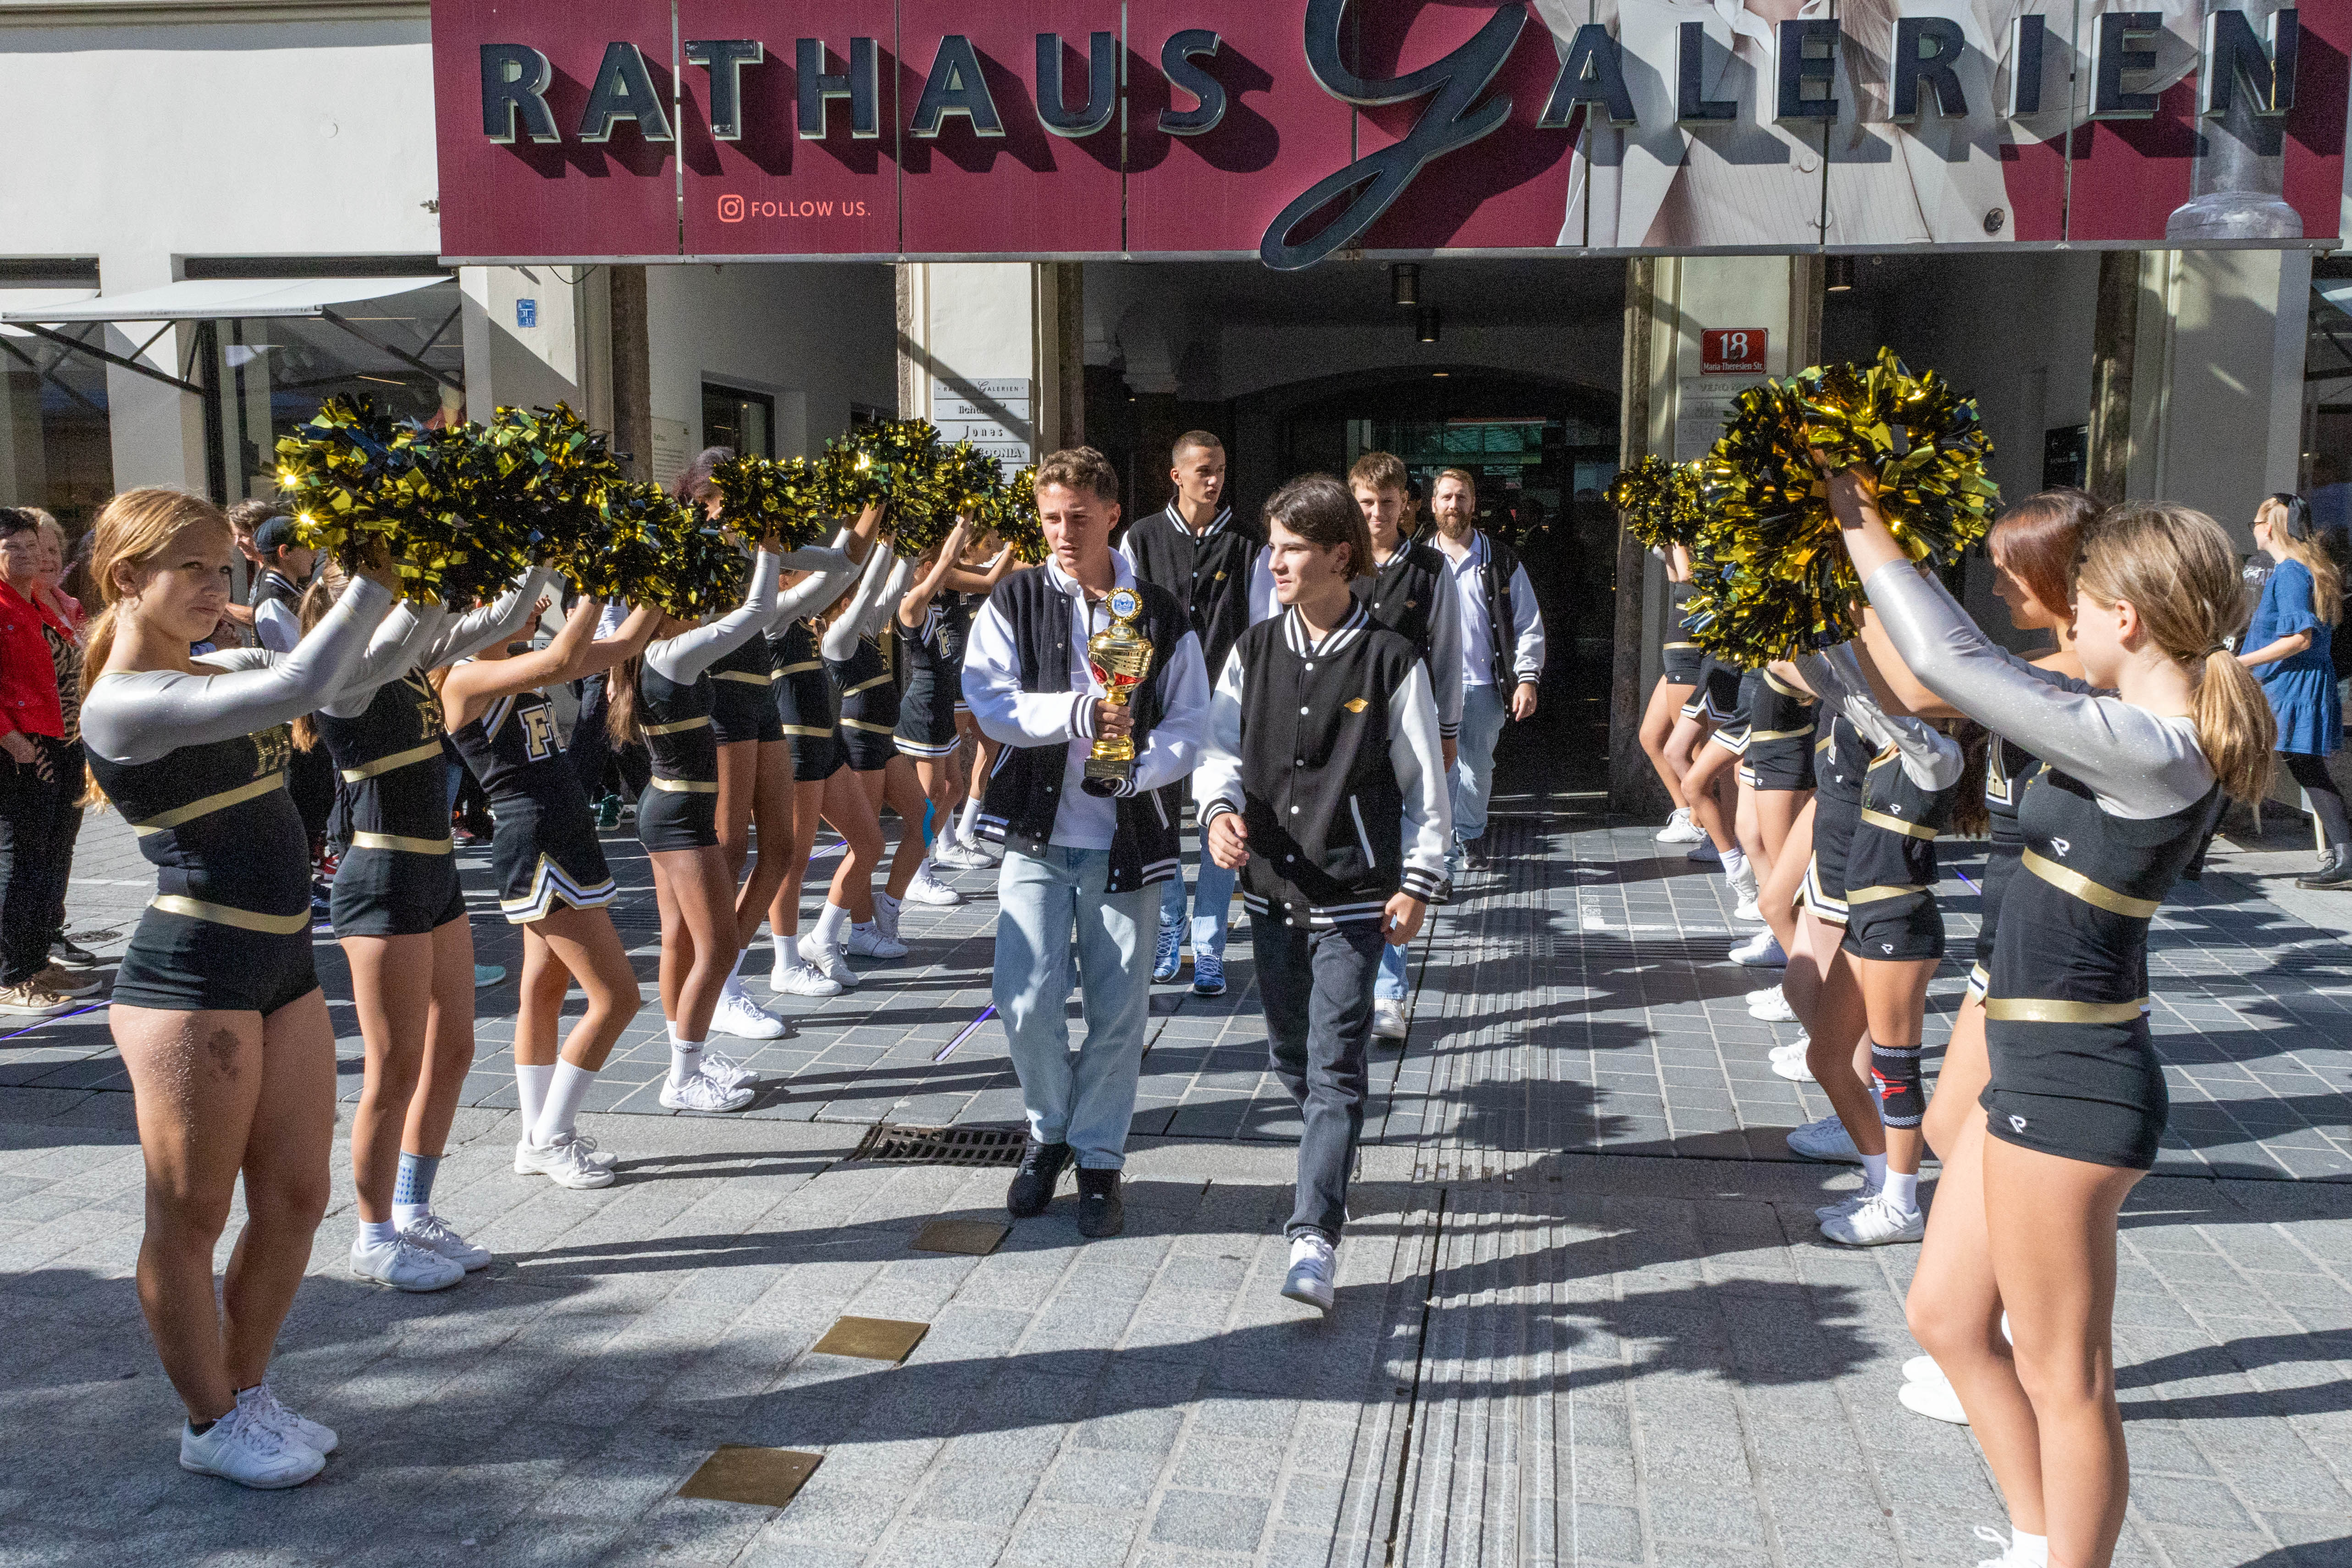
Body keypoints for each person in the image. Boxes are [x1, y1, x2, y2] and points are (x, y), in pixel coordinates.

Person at [1833, 478, 2271, 1568]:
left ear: (2125, 616)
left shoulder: (2156, 748)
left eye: (2081, 602)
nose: (2063, 618)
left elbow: (1946, 664)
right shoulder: (2123, 727)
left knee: (2063, 1374)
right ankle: (2038, 1542)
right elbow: (1941, 669)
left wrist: (1852, 505)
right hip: (2028, 1066)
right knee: (1945, 1317)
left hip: (2075, 1084)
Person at [79, 487, 399, 1488]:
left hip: (283, 970)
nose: (216, 589)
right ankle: (208, 1422)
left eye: (223, 569)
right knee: (191, 1215)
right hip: (193, 979)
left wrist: (437, 577)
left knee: (298, 1196)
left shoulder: (218, 665)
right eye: (193, 569)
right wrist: (376, 573)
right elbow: (302, 681)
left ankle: (246, 1390)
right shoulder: (124, 701)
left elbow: (359, 671)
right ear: (127, 578)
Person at [1198, 474, 1447, 1311]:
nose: (1275, 563)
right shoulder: (1252, 650)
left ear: (1341, 556)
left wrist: (1417, 884)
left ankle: (1314, 1237)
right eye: (1272, 548)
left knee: (1336, 1065)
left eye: (1293, 549)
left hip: (1354, 897)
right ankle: (1330, 1153)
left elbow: (1426, 786)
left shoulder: (1391, 659)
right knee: (1290, 1057)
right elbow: (1217, 750)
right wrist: (1218, 812)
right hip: (1271, 890)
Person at [964, 447, 1209, 1237]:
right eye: (1050, 518)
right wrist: (1076, 713)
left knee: (1117, 1011)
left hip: (1125, 838)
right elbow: (988, 701)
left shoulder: (1159, 611)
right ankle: (1049, 1131)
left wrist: (1138, 770)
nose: (1063, 533)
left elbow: (1191, 722)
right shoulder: (1016, 597)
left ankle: (1098, 1157)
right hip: (1036, 835)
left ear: (1111, 514)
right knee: (1025, 997)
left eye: (1077, 517)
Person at [297, 561, 553, 1289]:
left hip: (435, 874)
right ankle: (373, 1236)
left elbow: (501, 620)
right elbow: (416, 625)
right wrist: (435, 554)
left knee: (455, 1049)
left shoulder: (409, 659)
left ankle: (412, 1210)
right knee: (394, 1069)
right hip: (381, 881)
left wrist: (540, 547)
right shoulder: (346, 676)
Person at [445, 591, 660, 1187]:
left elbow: (623, 644)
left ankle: (534, 1135)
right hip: (537, 842)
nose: (532, 606)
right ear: (475, 613)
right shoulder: (463, 679)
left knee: (543, 990)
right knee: (617, 998)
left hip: (563, 834)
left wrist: (659, 586)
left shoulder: (522, 659)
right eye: (508, 597)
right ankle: (553, 1136)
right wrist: (592, 591)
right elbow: (566, 659)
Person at [1291, 451, 1459, 1042]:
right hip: (1344, 731)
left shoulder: (1431, 570)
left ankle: (1389, 991)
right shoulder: (1339, 566)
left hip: (1406, 726)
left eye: (1387, 503)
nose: (1377, 514)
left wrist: (1448, 730)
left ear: (1406, 504)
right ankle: (1335, 970)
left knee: (1395, 852)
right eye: (1365, 503)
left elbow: (1448, 654)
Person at [1120, 431, 1262, 995]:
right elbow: (1125, 618)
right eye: (1204, 470)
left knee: (1220, 820)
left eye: (1221, 469)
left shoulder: (1248, 542)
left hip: (1227, 700)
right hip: (1158, 699)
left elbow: (1262, 625)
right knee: (1160, 818)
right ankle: (1169, 925)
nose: (1215, 480)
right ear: (1177, 476)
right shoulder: (1142, 537)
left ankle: (1209, 945)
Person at [1427, 467, 1544, 872]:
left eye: (1461, 497)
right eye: (1446, 497)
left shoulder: (1501, 559)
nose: (1453, 505)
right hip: (1433, 687)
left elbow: (1528, 621)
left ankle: (1471, 833)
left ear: (1474, 504)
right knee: (1439, 772)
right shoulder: (1420, 561)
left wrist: (1527, 677)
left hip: (1483, 685)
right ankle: (1442, 853)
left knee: (1477, 770)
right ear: (1434, 504)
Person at [0, 508, 87, 1015]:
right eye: (14, 548)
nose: (30, 556)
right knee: (21, 861)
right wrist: (11, 738)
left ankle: (33, 961)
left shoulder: (38, 601)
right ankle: (12, 975)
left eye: (33, 545)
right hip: (18, 748)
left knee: (46, 858)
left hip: (55, 740)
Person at [2239, 493, 2347, 889]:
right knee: (2288, 766)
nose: (2253, 530)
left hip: (2288, 685)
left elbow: (2299, 639)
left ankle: (2188, 858)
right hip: (2296, 684)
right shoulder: (2305, 569)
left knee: (2239, 759)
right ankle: (2191, 857)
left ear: (2268, 528)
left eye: (2254, 523)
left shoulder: (2289, 573)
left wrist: (2239, 663)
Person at [27, 512, 100, 975]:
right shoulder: (18, 608)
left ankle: (49, 929)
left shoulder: (67, 604)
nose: (49, 559)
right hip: (35, 744)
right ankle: (26, 944)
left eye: (55, 549)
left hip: (73, 737)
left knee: (62, 843)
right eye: (38, 551)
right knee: (31, 848)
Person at [1644, 544, 1708, 844]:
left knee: (1691, 747)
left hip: (1693, 641)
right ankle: (1686, 810)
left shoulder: (1702, 537)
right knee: (1652, 737)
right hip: (1679, 636)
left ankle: (1702, 821)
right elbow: (1674, 577)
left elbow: (1687, 575)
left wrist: (1677, 537)